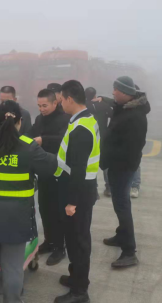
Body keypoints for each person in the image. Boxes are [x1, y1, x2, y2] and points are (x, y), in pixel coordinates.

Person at [0, 100, 57, 303]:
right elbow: (50, 167)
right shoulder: (28, 146)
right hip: (16, 219)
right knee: (12, 268)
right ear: (20, 121)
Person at [54, 80, 99, 303]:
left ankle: (80, 292)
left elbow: (79, 168)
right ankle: (75, 277)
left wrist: (72, 202)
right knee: (73, 238)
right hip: (81, 189)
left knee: (78, 241)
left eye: (61, 99)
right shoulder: (85, 119)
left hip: (79, 193)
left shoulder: (81, 129)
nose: (60, 103)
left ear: (70, 99)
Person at [100, 76, 150, 268]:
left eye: (116, 90)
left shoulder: (134, 117)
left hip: (122, 167)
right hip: (117, 166)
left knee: (122, 206)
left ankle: (129, 252)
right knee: (120, 203)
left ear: (126, 93)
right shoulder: (125, 108)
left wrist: (108, 158)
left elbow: (131, 148)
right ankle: (121, 235)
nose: (113, 93)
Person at [28, 89, 70, 266]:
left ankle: (60, 247)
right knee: (44, 208)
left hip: (59, 172)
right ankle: (49, 241)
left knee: (58, 210)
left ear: (55, 103)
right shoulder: (39, 119)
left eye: (44, 105)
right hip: (43, 171)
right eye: (39, 106)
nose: (41, 109)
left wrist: (43, 140)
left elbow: (63, 139)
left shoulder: (65, 119)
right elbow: (31, 135)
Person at [84, 87, 113, 198]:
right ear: (95, 95)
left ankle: (93, 189)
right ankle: (109, 187)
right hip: (103, 138)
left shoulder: (83, 106)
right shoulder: (103, 105)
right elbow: (113, 114)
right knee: (105, 163)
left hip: (88, 138)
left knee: (90, 164)